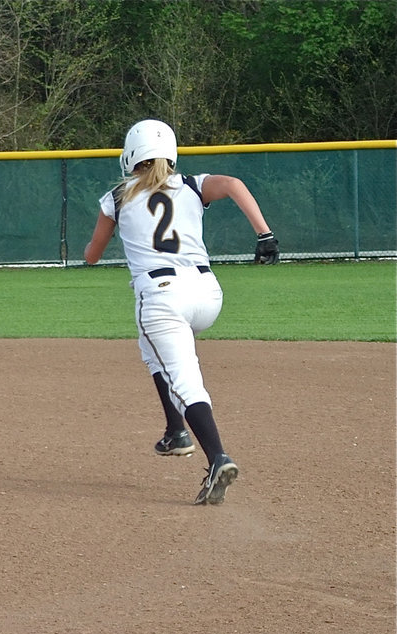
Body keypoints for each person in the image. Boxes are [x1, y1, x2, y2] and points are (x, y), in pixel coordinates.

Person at [84, 119, 279, 505]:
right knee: (150, 347)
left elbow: (92, 254)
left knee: (184, 379)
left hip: (161, 296)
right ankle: (176, 432)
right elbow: (235, 185)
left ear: (130, 155)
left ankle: (218, 457)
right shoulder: (191, 184)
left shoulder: (118, 197)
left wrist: (95, 248)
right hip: (207, 294)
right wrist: (265, 234)